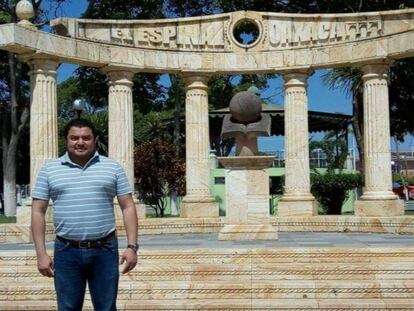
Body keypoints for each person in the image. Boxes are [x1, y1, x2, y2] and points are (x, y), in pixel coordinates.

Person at [31, 118, 138, 311]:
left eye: (86, 138)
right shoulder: (49, 170)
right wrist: (40, 254)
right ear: (66, 140)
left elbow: (128, 206)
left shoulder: (112, 168)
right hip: (66, 251)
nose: (80, 142)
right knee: (67, 307)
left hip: (104, 250)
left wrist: (132, 247)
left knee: (106, 307)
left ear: (94, 140)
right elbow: (38, 211)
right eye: (74, 138)